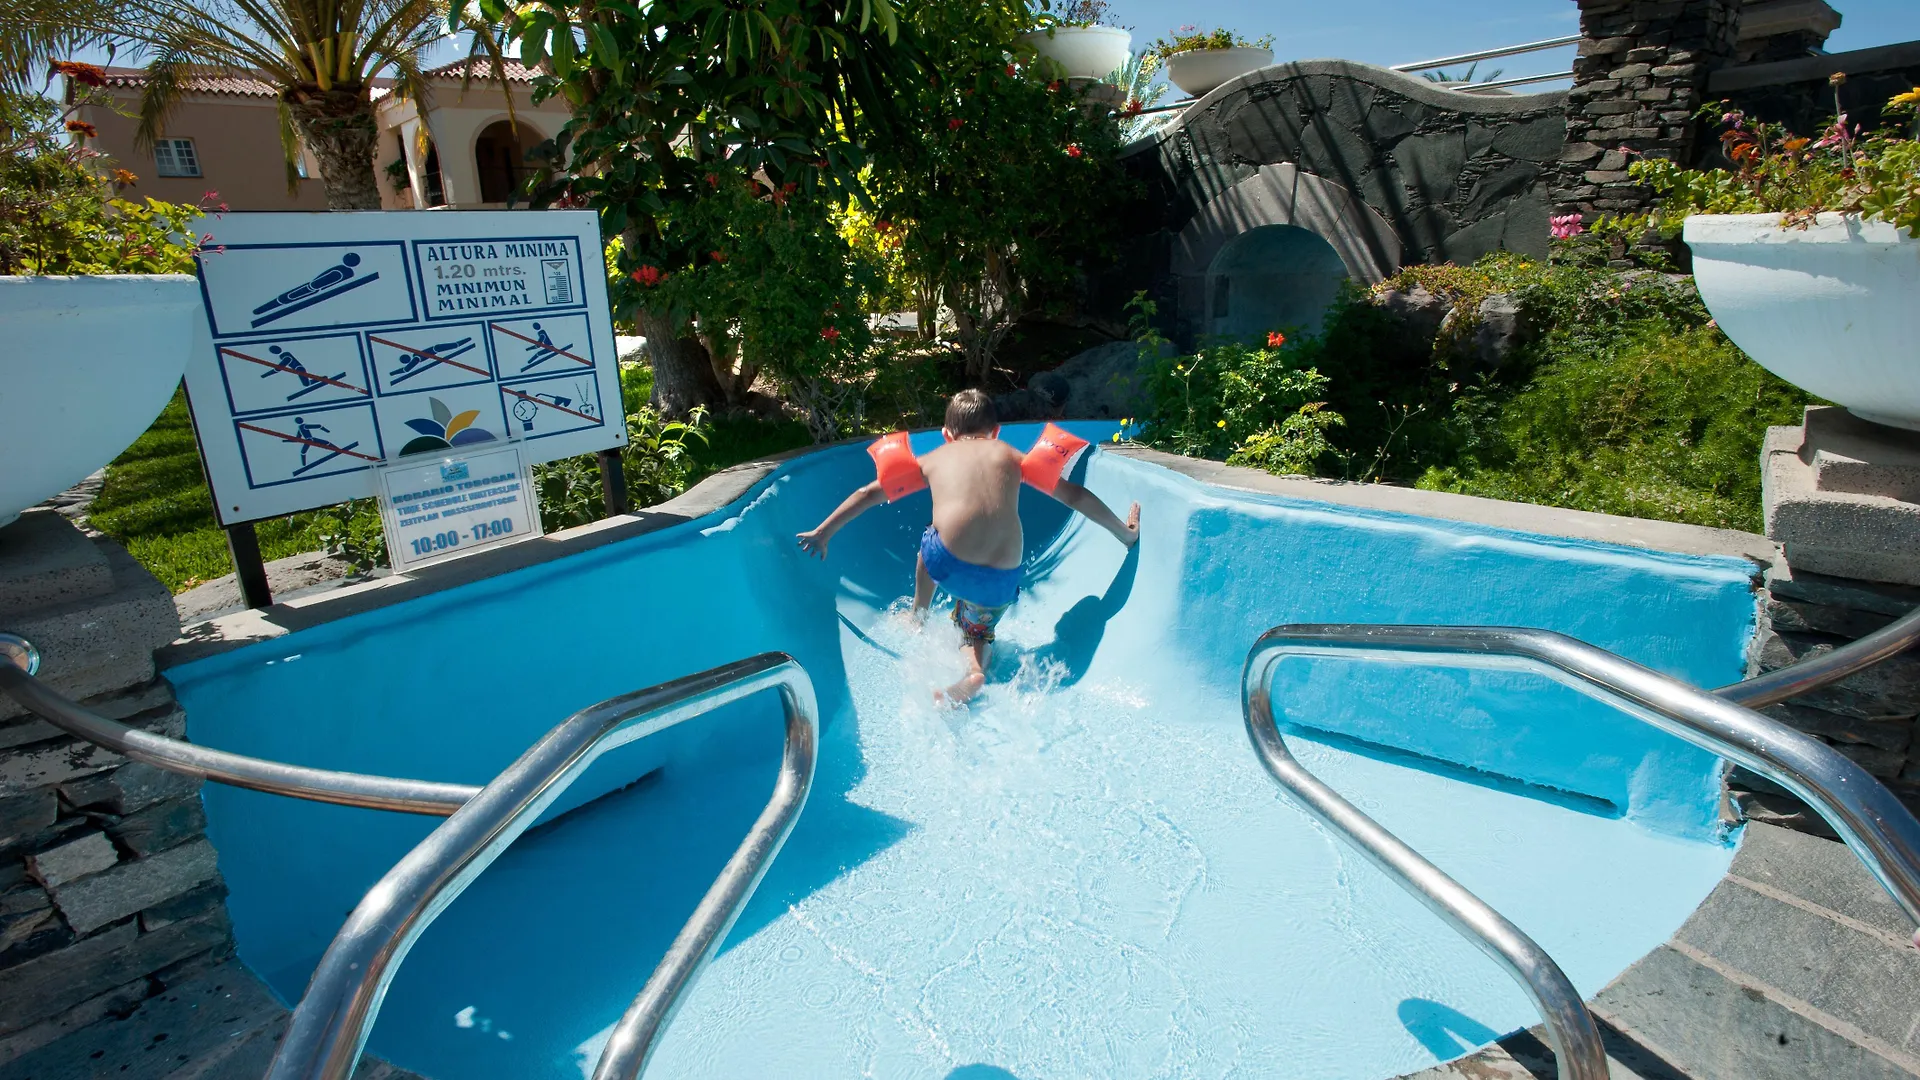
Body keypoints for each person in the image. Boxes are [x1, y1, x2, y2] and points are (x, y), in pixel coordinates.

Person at [797, 390, 1140, 706]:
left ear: (947, 433)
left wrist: (823, 532)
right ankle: (975, 671)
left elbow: (868, 494)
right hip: (1000, 579)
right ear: (996, 431)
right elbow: (1074, 495)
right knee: (977, 629)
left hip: (946, 563)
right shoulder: (1011, 455)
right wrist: (1124, 534)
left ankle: (918, 614)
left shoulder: (935, 458)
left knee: (930, 537)